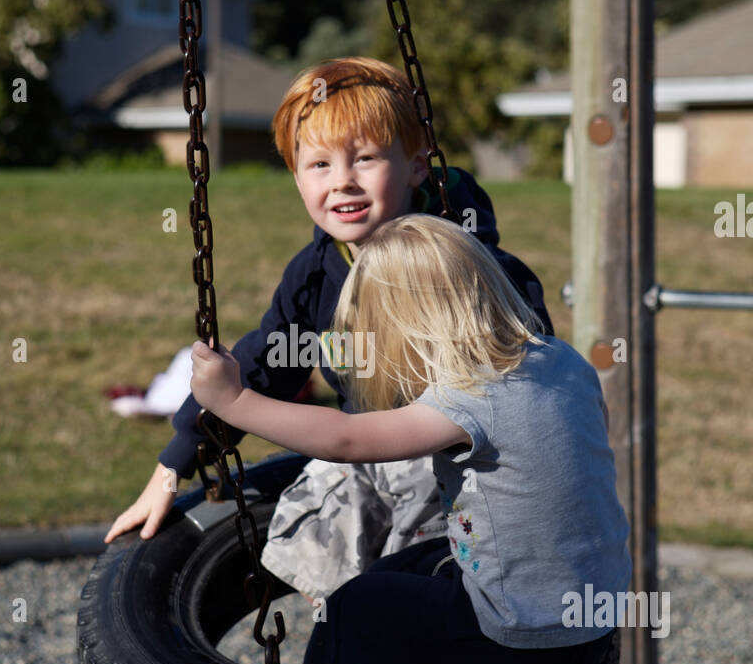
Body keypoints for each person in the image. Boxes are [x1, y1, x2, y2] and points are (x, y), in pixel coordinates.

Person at [104, 57, 553, 605]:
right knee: (319, 527)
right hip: (367, 452)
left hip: (466, 467)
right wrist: (172, 467)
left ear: (416, 166)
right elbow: (264, 365)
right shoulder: (316, 277)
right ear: (295, 175)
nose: (342, 180)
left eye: (365, 158)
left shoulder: (467, 262)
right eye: (318, 164)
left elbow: (534, 364)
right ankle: (345, 636)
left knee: (422, 578)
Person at [188, 215, 631, 664]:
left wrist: (234, 402)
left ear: (405, 327)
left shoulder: (469, 396)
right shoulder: (563, 359)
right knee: (406, 567)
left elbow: (347, 440)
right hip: (595, 620)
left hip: (518, 644)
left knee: (352, 608)